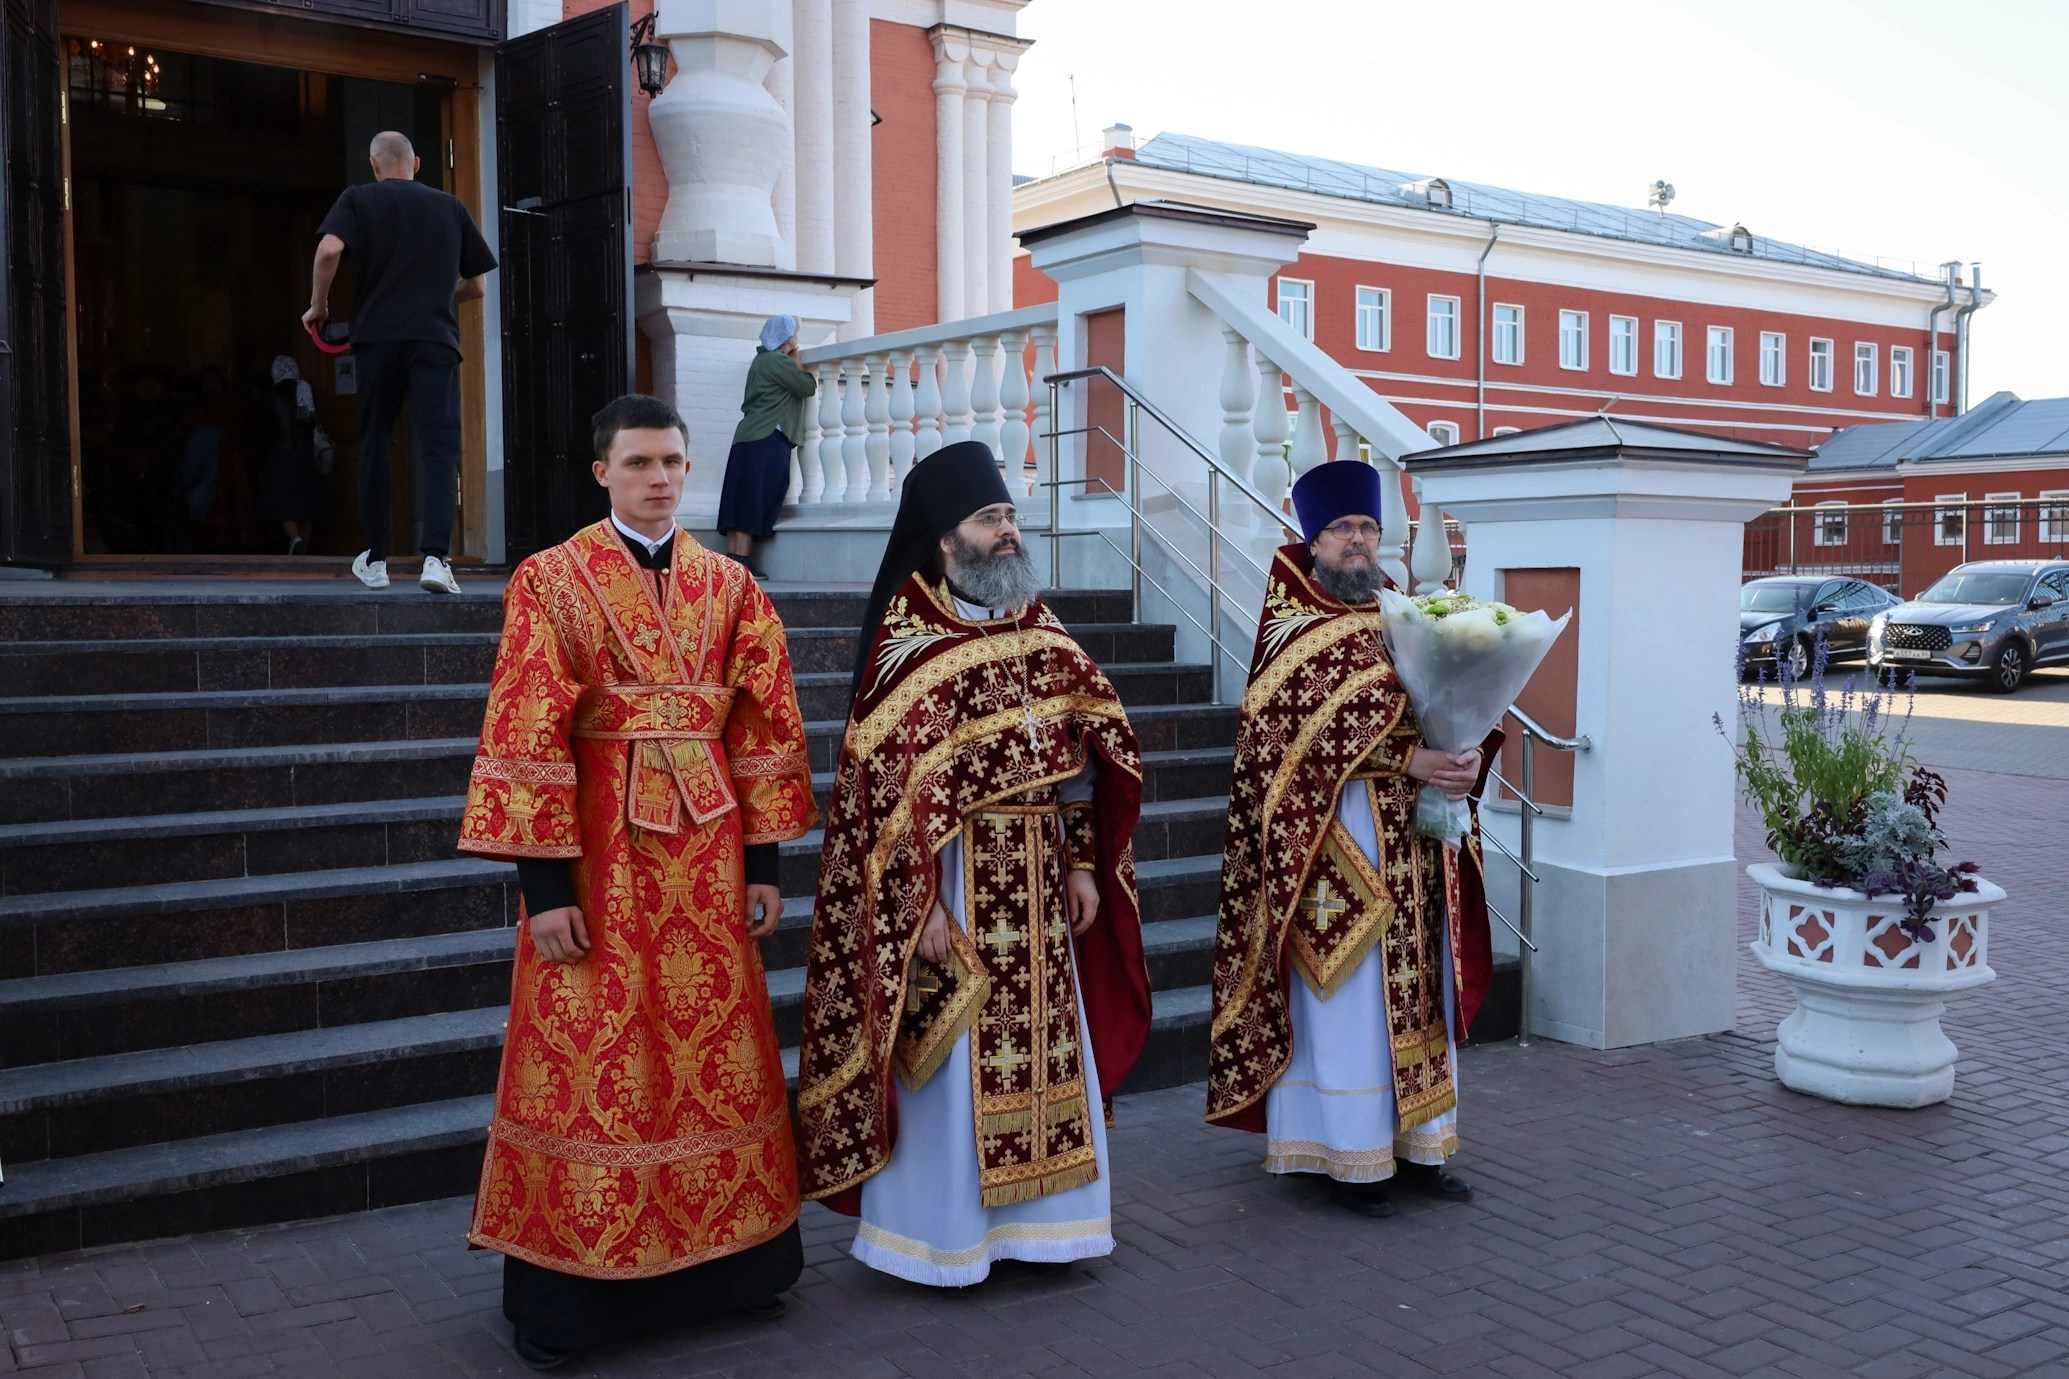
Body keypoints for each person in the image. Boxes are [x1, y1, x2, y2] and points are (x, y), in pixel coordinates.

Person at [457, 394, 819, 1371]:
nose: (659, 478)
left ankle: (733, 1268)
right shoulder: (550, 579)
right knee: (595, 1057)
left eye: (671, 461)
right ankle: (574, 1298)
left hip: (708, 864)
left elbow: (764, 724)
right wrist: (545, 888)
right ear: (601, 472)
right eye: (639, 463)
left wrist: (764, 864)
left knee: (715, 1057)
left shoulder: (731, 585)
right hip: (598, 865)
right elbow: (525, 725)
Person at [793, 440, 1151, 1286]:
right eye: (990, 518)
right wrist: (915, 905)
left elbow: (1086, 758)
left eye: (1010, 516)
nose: (1007, 531)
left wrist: (1084, 863)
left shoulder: (1041, 629)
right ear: (945, 537)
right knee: (950, 1060)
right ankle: (944, 1240)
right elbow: (880, 802)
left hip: (1040, 877)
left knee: (1045, 1051)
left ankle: (1047, 1232)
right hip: (950, 881)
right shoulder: (907, 646)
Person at [1206, 461, 1498, 1218]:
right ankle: (1346, 1155)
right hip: (1334, 847)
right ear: (1312, 540)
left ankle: (1421, 1148)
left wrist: (1465, 752)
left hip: (1415, 842)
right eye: (1342, 529)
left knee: (1420, 990)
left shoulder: (1406, 616)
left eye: (1368, 527)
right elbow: (1281, 739)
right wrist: (1407, 758)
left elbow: (1450, 701)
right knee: (1351, 1005)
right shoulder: (1292, 628)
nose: (1359, 541)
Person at [304, 130, 496, 594]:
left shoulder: (358, 198)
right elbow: (477, 286)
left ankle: (375, 560)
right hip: (434, 339)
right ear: (418, 163)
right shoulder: (450, 207)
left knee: (375, 443)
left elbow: (329, 250)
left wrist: (318, 307)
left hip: (377, 340)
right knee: (438, 447)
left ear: (374, 165)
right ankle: (435, 559)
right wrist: (436, 296)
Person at [716, 315, 816, 578]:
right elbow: (806, 386)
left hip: (748, 437)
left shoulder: (760, 360)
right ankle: (742, 562)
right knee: (755, 497)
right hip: (766, 436)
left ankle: (734, 561)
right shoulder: (777, 361)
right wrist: (796, 358)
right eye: (795, 332)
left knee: (741, 497)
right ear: (788, 337)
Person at [253, 356, 321, 555]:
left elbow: (263, 431)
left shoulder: (270, 396)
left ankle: (294, 538)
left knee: (283, 502)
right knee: (307, 506)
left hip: (280, 458)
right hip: (306, 457)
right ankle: (304, 550)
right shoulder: (306, 392)